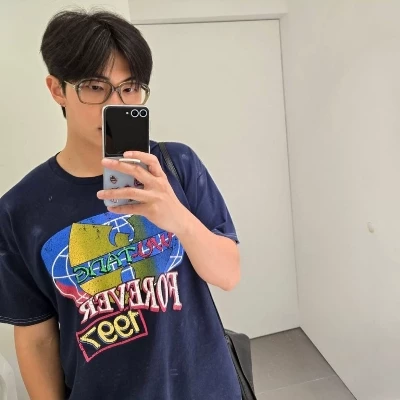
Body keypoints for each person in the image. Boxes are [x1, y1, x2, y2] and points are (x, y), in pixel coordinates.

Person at [0, 9, 242, 400]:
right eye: (95, 86)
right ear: (57, 89)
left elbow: (228, 274)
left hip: (205, 388)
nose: (115, 104)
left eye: (130, 88)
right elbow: (36, 337)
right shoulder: (19, 209)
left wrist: (177, 217)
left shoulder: (176, 166)